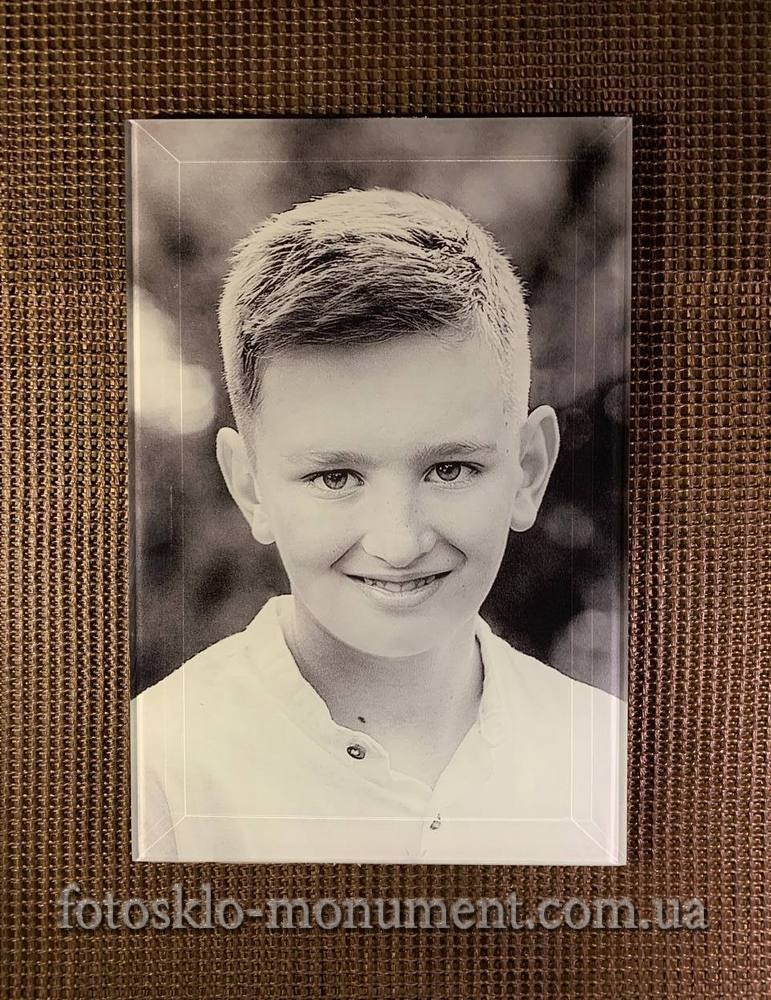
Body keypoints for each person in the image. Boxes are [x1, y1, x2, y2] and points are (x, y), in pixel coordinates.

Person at [131, 188, 626, 864]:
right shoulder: (152, 775)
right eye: (335, 478)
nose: (398, 543)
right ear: (249, 486)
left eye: (449, 469)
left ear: (528, 471)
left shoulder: (614, 768)